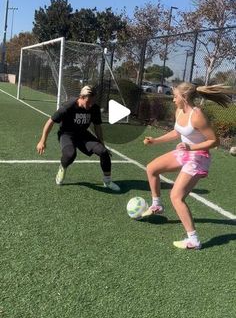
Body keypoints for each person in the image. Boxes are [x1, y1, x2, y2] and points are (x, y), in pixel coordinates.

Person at [142, 83, 234, 250]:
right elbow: (177, 132)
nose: (173, 98)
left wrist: (190, 147)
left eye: (175, 96)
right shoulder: (179, 111)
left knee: (176, 197)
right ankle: (157, 205)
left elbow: (214, 141)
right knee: (151, 168)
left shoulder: (197, 115)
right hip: (184, 152)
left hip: (198, 157)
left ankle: (193, 240)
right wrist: (155, 141)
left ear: (184, 98)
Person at [36, 85, 120, 192]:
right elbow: (50, 121)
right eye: (88, 102)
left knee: (103, 152)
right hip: (66, 134)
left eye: (93, 101)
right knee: (70, 154)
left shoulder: (94, 108)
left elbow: (97, 126)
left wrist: (102, 143)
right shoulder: (69, 106)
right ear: (81, 97)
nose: (90, 105)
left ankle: (107, 181)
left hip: (82, 134)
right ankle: (62, 167)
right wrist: (42, 140)